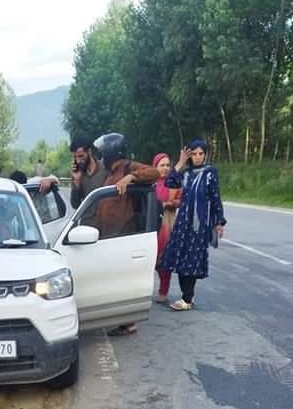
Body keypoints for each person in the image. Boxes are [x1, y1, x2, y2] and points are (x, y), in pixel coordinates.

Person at [93, 133, 160, 336]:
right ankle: (118, 317)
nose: (102, 157)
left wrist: (132, 177)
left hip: (124, 234)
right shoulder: (109, 172)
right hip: (108, 235)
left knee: (122, 281)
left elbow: (155, 172)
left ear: (111, 152)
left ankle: (128, 322)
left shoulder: (128, 167)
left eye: (103, 153)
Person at [162, 139, 226, 311]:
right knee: (182, 259)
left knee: (193, 260)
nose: (198, 157)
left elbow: (215, 198)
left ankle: (187, 298)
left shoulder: (210, 173)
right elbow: (169, 183)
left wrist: (218, 222)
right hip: (183, 223)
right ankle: (188, 295)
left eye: (201, 154)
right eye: (195, 154)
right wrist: (180, 162)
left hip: (199, 225)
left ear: (205, 155)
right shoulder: (186, 174)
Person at [152, 153, 181, 304]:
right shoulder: (150, 183)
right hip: (151, 225)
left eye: (167, 165)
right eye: (161, 165)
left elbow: (182, 199)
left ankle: (163, 290)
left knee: (165, 259)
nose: (165, 168)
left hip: (167, 224)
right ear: (155, 167)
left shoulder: (174, 182)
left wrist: (172, 204)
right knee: (149, 259)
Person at [70, 137, 107, 210]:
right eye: (75, 157)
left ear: (89, 152)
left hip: (104, 219)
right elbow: (75, 205)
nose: (78, 161)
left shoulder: (106, 169)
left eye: (81, 156)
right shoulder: (78, 174)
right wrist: (77, 182)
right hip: (86, 220)